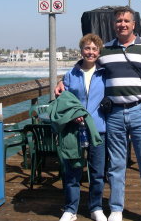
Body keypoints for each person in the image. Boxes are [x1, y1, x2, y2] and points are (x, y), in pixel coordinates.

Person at [56, 6, 141, 221]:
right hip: (114, 114)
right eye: (119, 21)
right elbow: (85, 65)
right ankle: (116, 209)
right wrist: (63, 81)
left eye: (126, 21)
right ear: (114, 24)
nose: (122, 24)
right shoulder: (106, 50)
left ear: (134, 24)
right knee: (116, 165)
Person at [59, 34, 107, 221]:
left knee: (97, 171)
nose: (91, 52)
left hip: (99, 129)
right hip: (75, 129)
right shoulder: (71, 74)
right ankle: (71, 209)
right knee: (73, 171)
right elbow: (65, 100)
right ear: (81, 50)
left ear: (99, 51)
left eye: (94, 49)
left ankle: (96, 207)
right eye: (87, 48)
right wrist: (73, 115)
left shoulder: (105, 73)